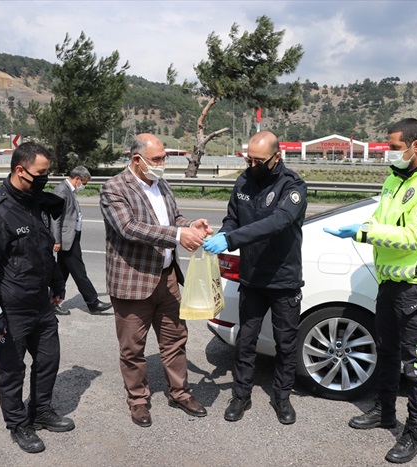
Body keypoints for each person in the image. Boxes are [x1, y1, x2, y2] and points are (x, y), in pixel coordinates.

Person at [324, 118, 417, 464]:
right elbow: (383, 221)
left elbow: (414, 236)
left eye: (394, 148)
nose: (388, 153)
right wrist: (365, 226)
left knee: (415, 365)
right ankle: (384, 411)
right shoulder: (394, 179)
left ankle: (415, 432)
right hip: (388, 282)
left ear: (416, 146)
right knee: (385, 352)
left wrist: (363, 233)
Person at [0, 142, 75, 454]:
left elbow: (43, 247)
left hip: (40, 303)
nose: (44, 178)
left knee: (48, 361)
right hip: (11, 307)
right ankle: (18, 424)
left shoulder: (33, 201)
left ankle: (40, 411)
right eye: (40, 174)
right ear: (19, 170)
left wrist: (56, 283)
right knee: (12, 370)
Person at [100, 133, 213, 427]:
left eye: (165, 158)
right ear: (137, 159)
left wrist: (190, 225)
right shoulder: (114, 188)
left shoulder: (161, 184)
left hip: (167, 278)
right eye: (157, 159)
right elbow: (129, 228)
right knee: (133, 348)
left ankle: (180, 393)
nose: (163, 164)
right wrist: (178, 235)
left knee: (176, 340)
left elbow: (173, 219)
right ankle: (138, 400)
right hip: (133, 282)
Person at [203, 130, 307, 425]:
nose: (252, 164)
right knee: (245, 341)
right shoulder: (243, 181)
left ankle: (282, 397)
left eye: (259, 160)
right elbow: (233, 216)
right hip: (252, 278)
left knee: (285, 344)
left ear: (277, 156)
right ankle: (241, 395)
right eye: (249, 158)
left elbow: (278, 222)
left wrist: (231, 239)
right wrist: (225, 231)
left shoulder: (293, 186)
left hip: (283, 280)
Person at [51, 166, 112, 316]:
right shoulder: (61, 190)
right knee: (79, 272)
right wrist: (56, 240)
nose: (84, 186)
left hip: (72, 237)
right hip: (66, 239)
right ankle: (93, 302)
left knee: (61, 273)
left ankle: (51, 302)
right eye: (84, 182)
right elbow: (55, 218)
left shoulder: (69, 190)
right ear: (77, 178)